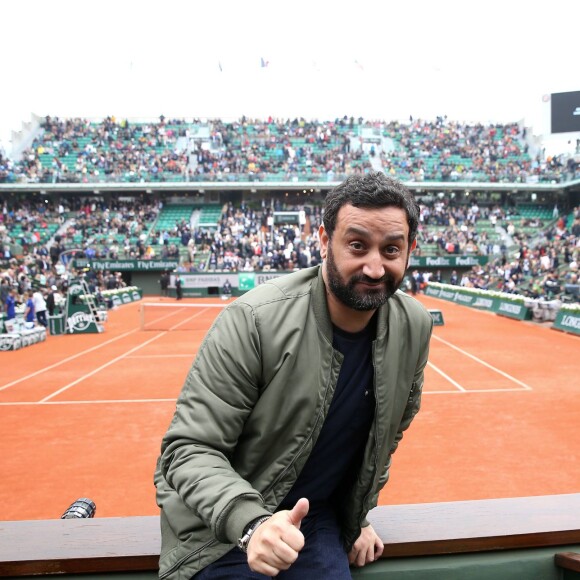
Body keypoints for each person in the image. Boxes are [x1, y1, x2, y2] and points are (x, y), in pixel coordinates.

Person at [154, 172, 433, 579]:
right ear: (324, 240)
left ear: (409, 250)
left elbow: (388, 433)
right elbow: (189, 449)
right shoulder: (252, 321)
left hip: (314, 521)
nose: (374, 267)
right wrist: (251, 524)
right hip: (219, 531)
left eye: (391, 249)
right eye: (357, 246)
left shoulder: (414, 326)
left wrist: (358, 516)